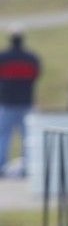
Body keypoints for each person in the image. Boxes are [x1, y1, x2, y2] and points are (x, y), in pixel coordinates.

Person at [0, 31, 41, 177]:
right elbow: (36, 75)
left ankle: (1, 166)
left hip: (6, 102)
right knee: (28, 137)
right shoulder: (31, 58)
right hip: (26, 102)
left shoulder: (3, 57)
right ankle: (27, 167)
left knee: (3, 136)